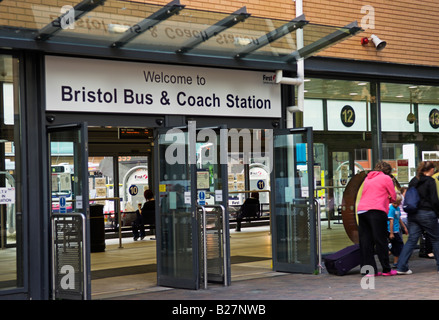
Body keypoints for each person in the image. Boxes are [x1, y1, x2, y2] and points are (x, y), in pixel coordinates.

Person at [397, 161, 439, 274]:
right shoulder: (430, 181)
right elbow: (434, 200)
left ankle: (401, 267)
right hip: (427, 213)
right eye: (433, 169)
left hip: (413, 214)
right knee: (436, 239)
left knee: (411, 240)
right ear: (430, 170)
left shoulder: (414, 180)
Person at [357, 161, 397, 276]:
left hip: (362, 211)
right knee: (380, 240)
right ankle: (386, 269)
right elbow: (394, 197)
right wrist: (388, 199)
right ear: (387, 171)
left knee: (366, 242)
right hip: (377, 211)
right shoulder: (386, 178)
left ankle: (369, 271)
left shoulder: (368, 178)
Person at [388, 192, 408, 268]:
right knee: (399, 246)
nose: (396, 205)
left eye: (398, 203)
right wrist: (391, 233)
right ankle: (396, 262)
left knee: (395, 247)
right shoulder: (391, 209)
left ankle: (387, 255)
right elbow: (391, 221)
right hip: (393, 231)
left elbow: (399, 219)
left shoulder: (397, 208)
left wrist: (404, 227)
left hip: (396, 230)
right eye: (395, 203)